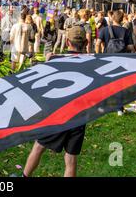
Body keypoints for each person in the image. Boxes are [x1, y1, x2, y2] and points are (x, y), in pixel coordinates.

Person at [23, 25, 88, 177]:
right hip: (79, 115)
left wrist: (49, 60)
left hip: (57, 113)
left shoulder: (54, 59)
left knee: (38, 147)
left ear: (67, 43)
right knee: (71, 158)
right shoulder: (92, 62)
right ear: (85, 43)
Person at [95, 10, 135, 116]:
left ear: (112, 18)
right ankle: (119, 108)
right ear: (122, 19)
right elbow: (131, 47)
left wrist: (98, 56)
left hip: (105, 59)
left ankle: (103, 106)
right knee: (119, 84)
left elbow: (98, 43)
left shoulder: (104, 30)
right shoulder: (126, 31)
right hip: (121, 60)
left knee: (104, 83)